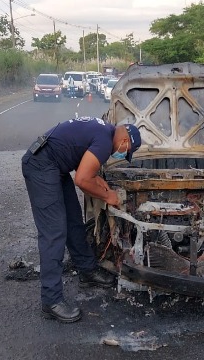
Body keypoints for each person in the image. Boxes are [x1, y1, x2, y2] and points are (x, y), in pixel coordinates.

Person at [21, 117, 142, 323]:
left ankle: (87, 271)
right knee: (54, 232)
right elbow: (82, 180)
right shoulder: (105, 142)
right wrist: (108, 196)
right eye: (127, 151)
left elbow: (84, 164)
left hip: (54, 167)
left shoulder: (104, 131)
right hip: (41, 166)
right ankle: (51, 301)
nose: (122, 154)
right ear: (124, 142)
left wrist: (100, 182)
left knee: (73, 221)